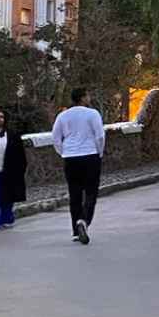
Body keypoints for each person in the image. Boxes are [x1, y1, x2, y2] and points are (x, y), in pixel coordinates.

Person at [52, 87, 107, 245]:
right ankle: (84, 221)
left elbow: (55, 137)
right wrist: (99, 152)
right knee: (90, 192)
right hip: (90, 155)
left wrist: (63, 152)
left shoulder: (63, 116)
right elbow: (100, 135)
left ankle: (76, 231)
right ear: (83, 98)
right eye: (88, 95)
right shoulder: (92, 114)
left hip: (71, 157)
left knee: (74, 193)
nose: (89, 98)